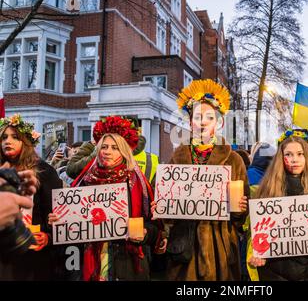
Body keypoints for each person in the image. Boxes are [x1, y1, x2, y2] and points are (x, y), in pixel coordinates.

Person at [154, 79, 249, 281]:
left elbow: (241, 216)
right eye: (198, 117)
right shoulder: (175, 158)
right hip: (184, 246)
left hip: (220, 246)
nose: (203, 122)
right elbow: (167, 211)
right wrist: (160, 207)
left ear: (219, 122)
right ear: (190, 122)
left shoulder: (234, 160)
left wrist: (240, 208)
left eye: (209, 117)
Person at [50, 116, 164, 281]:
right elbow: (71, 226)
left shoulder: (137, 184)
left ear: (124, 151)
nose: (107, 151)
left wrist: (144, 233)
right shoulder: (84, 182)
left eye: (115, 147)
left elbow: (154, 227)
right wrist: (58, 221)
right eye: (103, 147)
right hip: (86, 264)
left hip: (127, 265)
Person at [248, 129, 308, 281]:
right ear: (280, 158)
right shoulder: (267, 190)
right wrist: (257, 254)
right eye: (288, 154)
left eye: (300, 154)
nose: (294, 159)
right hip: (276, 272)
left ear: (307, 157)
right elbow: (256, 231)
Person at [0, 114, 62, 280]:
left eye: (15, 137)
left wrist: (48, 237)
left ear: (26, 142)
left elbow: (57, 212)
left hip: (32, 256)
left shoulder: (44, 171)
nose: (8, 141)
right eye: (4, 137)